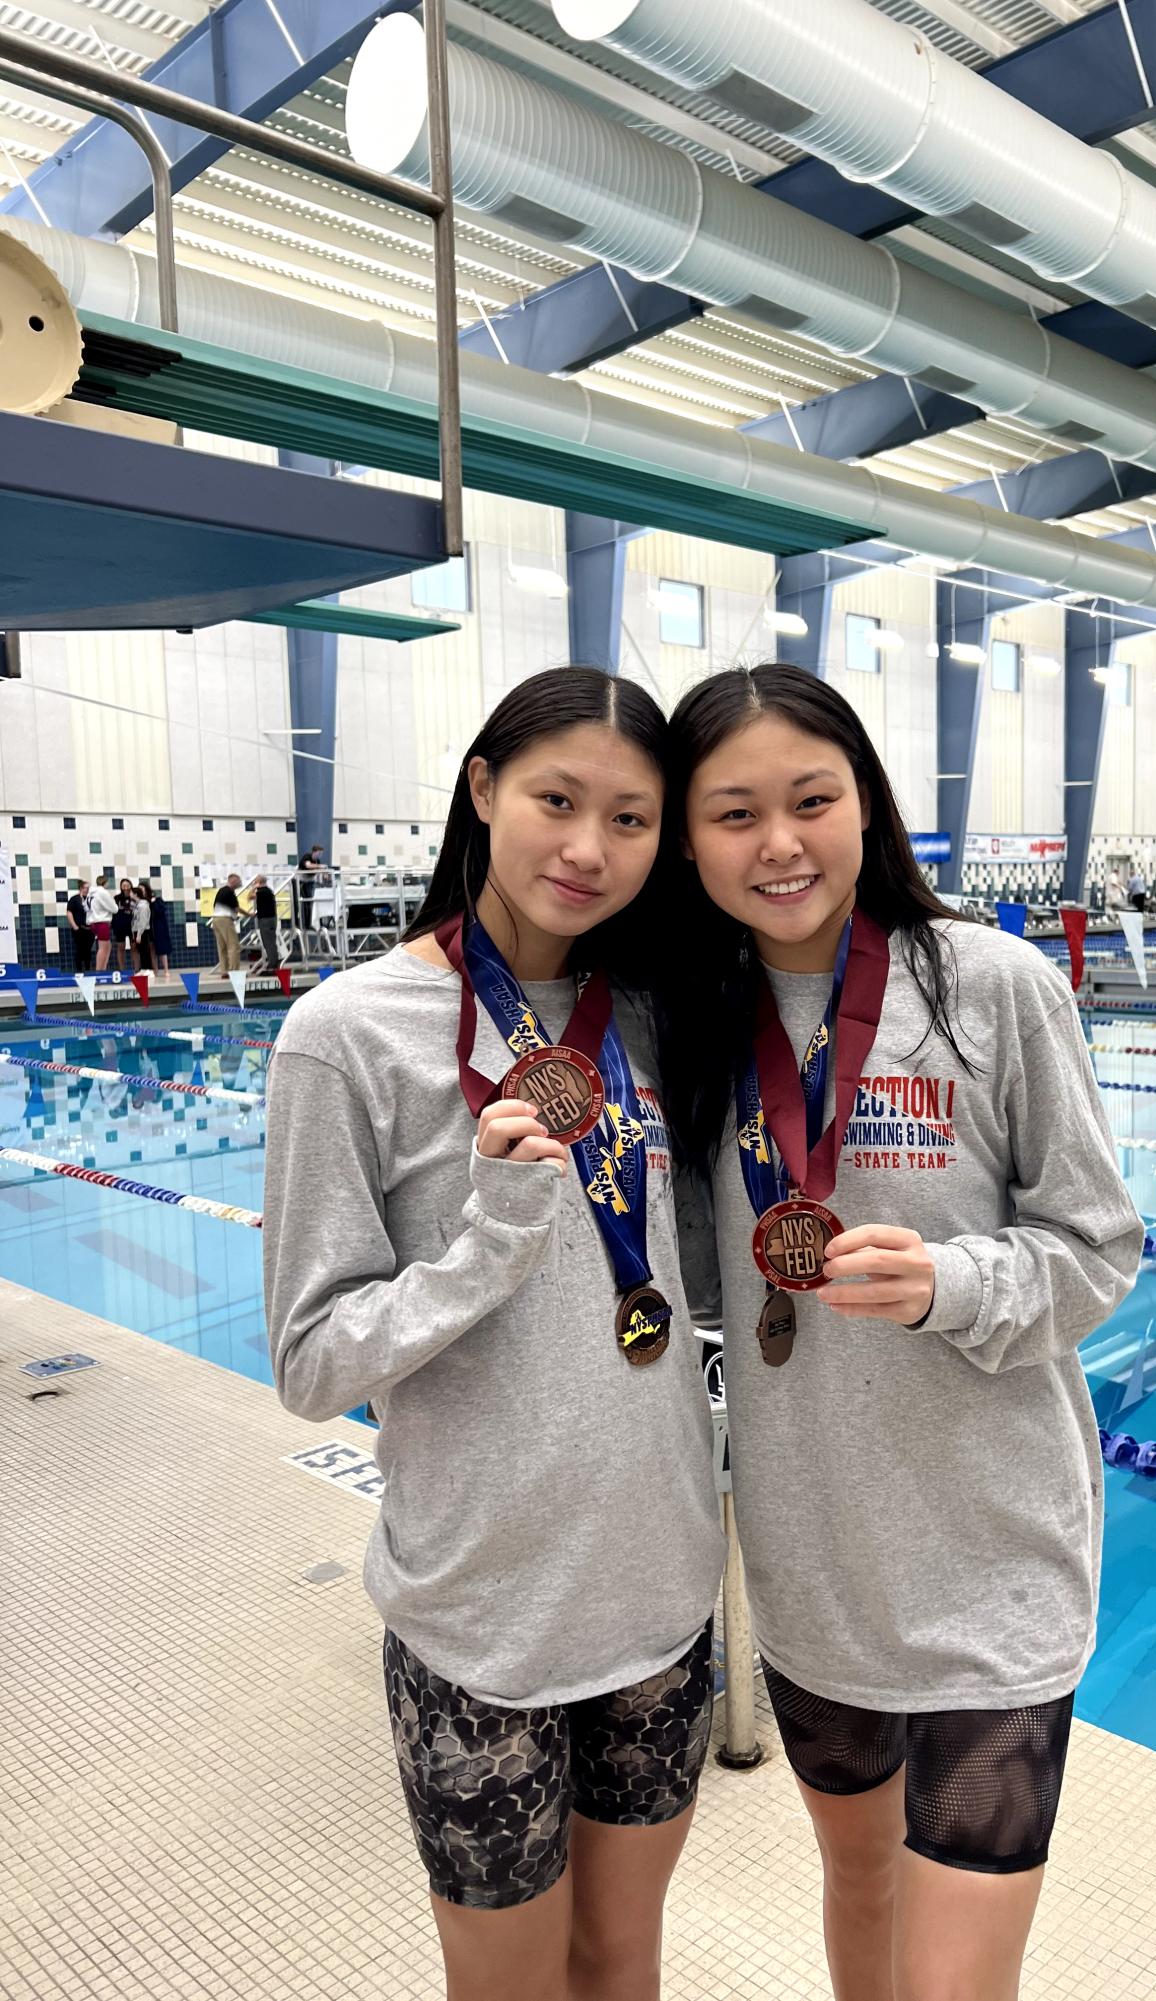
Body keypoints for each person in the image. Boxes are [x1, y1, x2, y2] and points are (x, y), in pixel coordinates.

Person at [659, 665, 1142, 2001]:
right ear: (687, 838)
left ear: (865, 805)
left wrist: (955, 1282)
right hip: (815, 1565)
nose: (780, 843)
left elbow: (1100, 1247)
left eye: (812, 799)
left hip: (996, 1564)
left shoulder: (990, 987)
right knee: (859, 1889)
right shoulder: (692, 1030)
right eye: (734, 812)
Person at [262, 668, 723, 2001]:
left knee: (621, 1967)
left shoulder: (655, 1021)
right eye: (555, 800)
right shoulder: (344, 1037)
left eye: (631, 819)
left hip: (660, 1598)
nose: (587, 848)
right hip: (482, 1623)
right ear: (482, 790)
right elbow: (310, 1362)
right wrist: (488, 1247)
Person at [212, 875, 244, 974]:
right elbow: (236, 909)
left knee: (222, 947)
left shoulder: (221, 891)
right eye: (239, 881)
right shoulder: (230, 892)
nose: (240, 884)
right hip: (225, 919)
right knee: (234, 946)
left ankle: (224, 971)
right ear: (233, 881)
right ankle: (234, 971)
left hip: (216, 919)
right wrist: (249, 914)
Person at [296, 842, 328, 940]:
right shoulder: (307, 857)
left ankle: (309, 923)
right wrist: (320, 867)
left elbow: (319, 869)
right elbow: (308, 866)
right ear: (314, 852)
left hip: (309, 881)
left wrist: (325, 874)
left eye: (321, 854)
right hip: (300, 881)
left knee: (310, 902)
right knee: (304, 902)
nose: (319, 855)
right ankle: (302, 923)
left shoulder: (317, 861)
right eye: (319, 853)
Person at [86, 876, 117, 973]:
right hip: (101, 922)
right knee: (103, 948)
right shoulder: (103, 892)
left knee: (107, 946)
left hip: (93, 922)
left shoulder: (90, 894)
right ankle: (99, 971)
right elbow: (114, 908)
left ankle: (103, 970)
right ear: (106, 882)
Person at [251, 875, 280, 970]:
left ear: (258, 882)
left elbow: (249, 897)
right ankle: (274, 962)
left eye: (255, 881)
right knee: (271, 941)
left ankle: (273, 964)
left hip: (266, 920)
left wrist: (253, 888)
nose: (254, 883)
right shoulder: (268, 891)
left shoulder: (261, 892)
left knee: (268, 942)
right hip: (271, 919)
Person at [65, 878, 92, 973]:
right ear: (81, 888)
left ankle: (88, 969)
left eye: (88, 888)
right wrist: (74, 926)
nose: (87, 890)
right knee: (80, 949)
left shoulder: (90, 899)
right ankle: (79, 970)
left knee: (88, 950)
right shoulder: (74, 899)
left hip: (90, 929)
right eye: (85, 888)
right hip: (79, 928)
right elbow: (69, 912)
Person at [110, 878, 135, 974]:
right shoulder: (117, 898)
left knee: (134, 947)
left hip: (132, 926)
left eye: (127, 885)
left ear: (130, 885)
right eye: (123, 885)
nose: (125, 887)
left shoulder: (134, 897)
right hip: (119, 926)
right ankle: (122, 969)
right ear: (121, 887)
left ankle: (136, 968)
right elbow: (113, 912)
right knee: (121, 947)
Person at [148, 881, 172, 976]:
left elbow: (160, 911)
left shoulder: (158, 901)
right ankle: (155, 970)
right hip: (150, 928)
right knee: (152, 949)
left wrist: (153, 903)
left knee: (162, 950)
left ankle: (166, 969)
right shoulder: (145, 902)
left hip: (159, 928)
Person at [132, 880, 154, 973]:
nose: (130, 894)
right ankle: (144, 969)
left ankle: (148, 969)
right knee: (141, 951)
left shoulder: (143, 905)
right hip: (137, 930)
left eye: (131, 893)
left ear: (136, 894)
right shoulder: (137, 905)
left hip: (143, 931)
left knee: (145, 951)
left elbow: (143, 921)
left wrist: (139, 934)